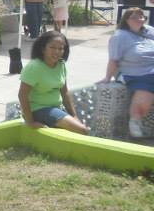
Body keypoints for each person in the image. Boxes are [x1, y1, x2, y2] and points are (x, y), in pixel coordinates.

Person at [18, 30, 88, 134]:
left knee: (75, 131)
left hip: (55, 109)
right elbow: (22, 95)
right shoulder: (34, 67)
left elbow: (64, 92)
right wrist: (30, 122)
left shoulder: (61, 65)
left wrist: (74, 116)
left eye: (60, 49)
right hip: (38, 110)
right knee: (83, 130)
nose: (57, 52)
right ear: (43, 49)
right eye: (52, 48)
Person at [100, 7, 154, 138]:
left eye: (142, 17)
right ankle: (135, 120)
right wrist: (107, 77)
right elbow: (113, 59)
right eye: (135, 17)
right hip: (135, 72)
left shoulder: (150, 31)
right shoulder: (119, 36)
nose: (139, 20)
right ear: (126, 20)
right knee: (146, 86)